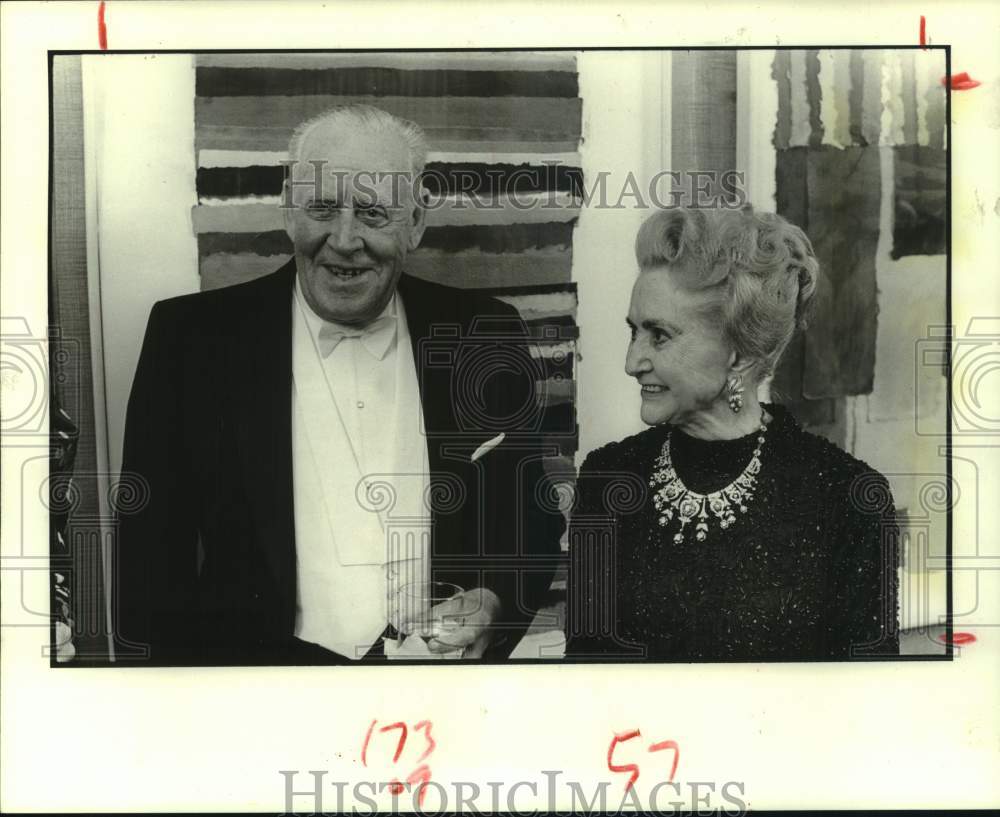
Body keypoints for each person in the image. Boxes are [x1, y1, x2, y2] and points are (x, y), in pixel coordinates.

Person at [115, 104, 564, 665]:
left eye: (373, 214)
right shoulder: (189, 340)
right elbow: (148, 564)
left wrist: (494, 603)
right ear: (287, 210)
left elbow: (532, 517)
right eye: (322, 208)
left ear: (416, 224)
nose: (343, 239)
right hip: (258, 699)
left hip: (438, 698)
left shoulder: (486, 334)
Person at [567, 206, 899, 660]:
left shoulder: (848, 497)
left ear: (739, 355)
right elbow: (587, 676)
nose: (632, 362)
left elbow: (868, 704)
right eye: (634, 332)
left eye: (659, 335)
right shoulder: (608, 478)